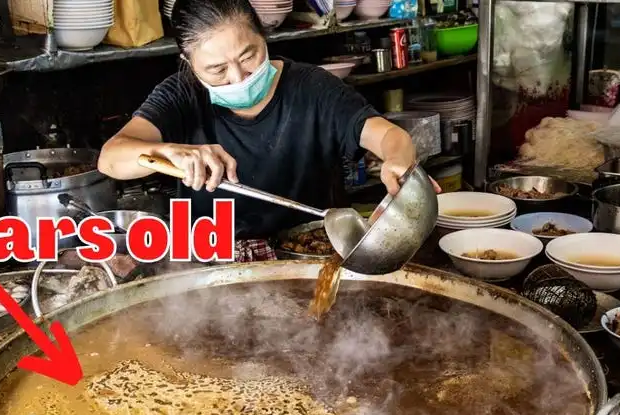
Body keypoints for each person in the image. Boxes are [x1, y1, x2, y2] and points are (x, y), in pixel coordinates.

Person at [97, 0, 432, 249]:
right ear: (188, 62)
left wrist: (398, 160)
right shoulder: (181, 95)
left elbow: (388, 134)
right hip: (213, 260)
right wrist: (169, 151)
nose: (238, 77)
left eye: (248, 56)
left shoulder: (312, 87)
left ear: (264, 35)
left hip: (307, 252)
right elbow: (111, 158)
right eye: (217, 69)